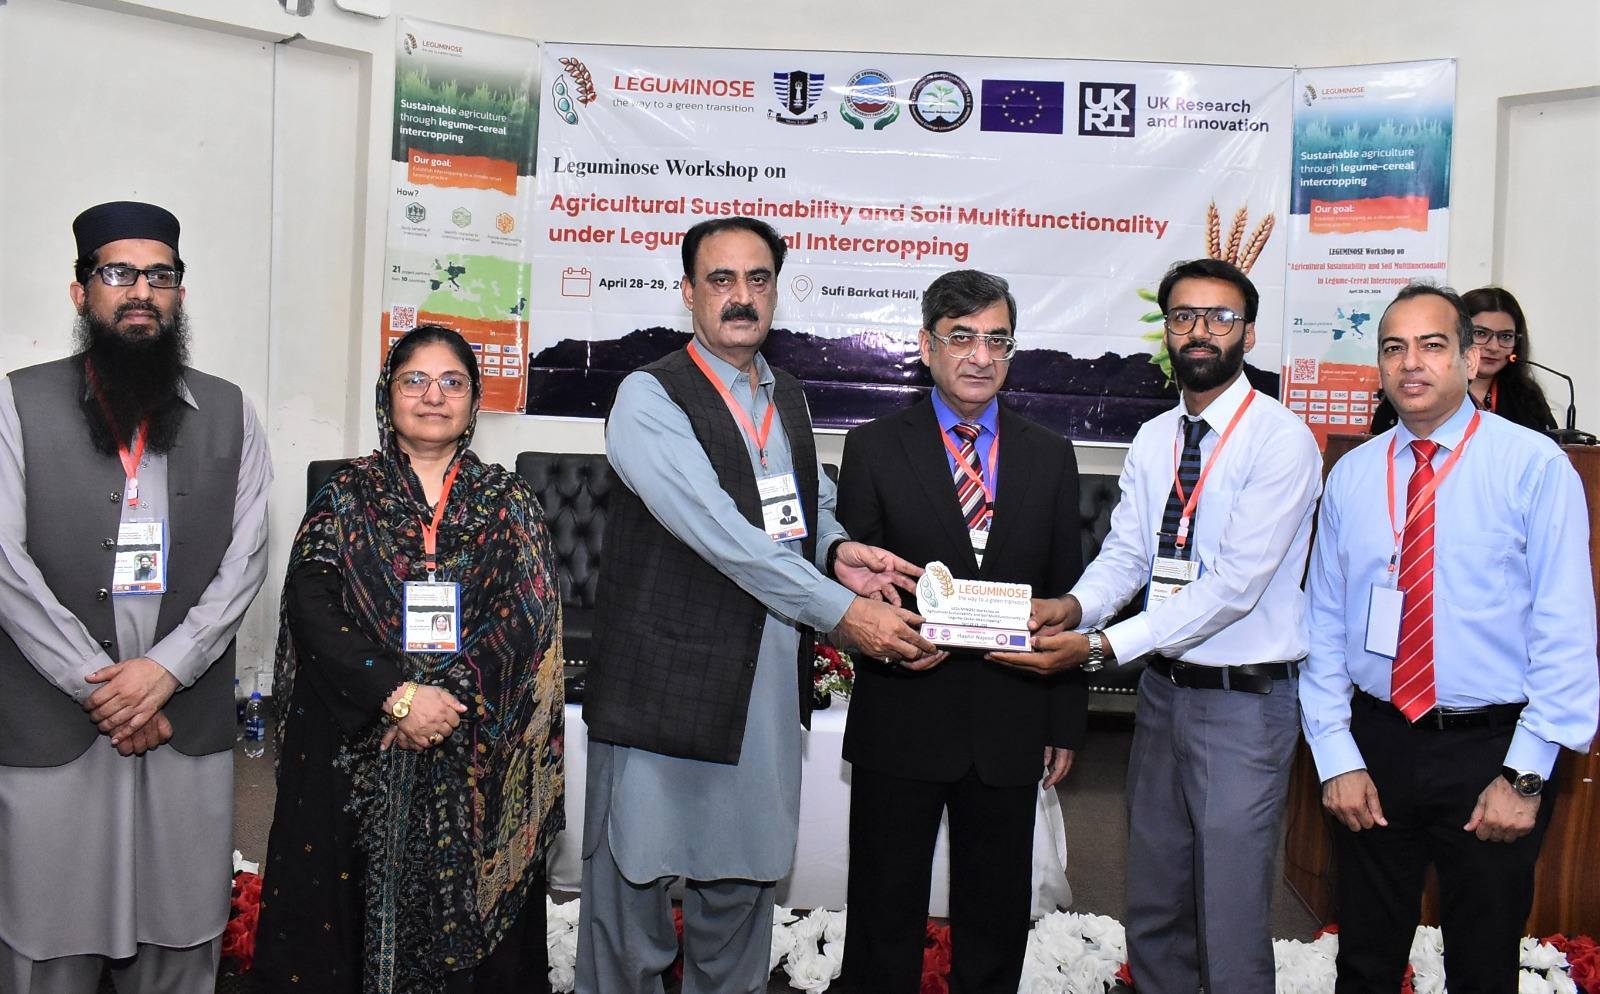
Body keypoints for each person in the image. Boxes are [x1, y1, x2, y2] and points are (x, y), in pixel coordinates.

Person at [577, 216, 935, 994]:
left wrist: (837, 550)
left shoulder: (786, 393)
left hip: (763, 688)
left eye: (758, 279)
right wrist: (842, 612)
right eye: (721, 279)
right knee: (632, 899)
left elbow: (801, 506)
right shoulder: (648, 396)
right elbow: (722, 534)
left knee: (740, 893)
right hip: (663, 687)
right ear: (688, 292)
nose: (741, 296)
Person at [991, 258, 1322, 993]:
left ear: (1249, 334)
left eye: (1220, 317)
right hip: (1165, 695)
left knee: (1230, 910)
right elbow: (1128, 555)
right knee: (1154, 898)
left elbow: (1233, 588)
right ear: (1166, 331)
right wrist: (1073, 608)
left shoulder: (1281, 440)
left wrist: (1101, 645)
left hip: (1244, 702)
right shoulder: (1155, 437)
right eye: (1183, 317)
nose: (1200, 331)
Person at [0, 201, 272, 993]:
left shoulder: (230, 411)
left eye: (161, 274)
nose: (141, 291)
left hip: (180, 723)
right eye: (119, 272)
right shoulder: (17, 403)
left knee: (181, 937)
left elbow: (247, 557)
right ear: (80, 290)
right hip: (55, 724)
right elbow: (5, 563)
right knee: (47, 940)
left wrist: (166, 669)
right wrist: (105, 686)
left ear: (180, 292)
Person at [1301, 284, 1597, 993]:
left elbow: (1565, 628)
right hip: (1376, 744)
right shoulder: (1353, 474)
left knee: (1483, 964)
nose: (1411, 363)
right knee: (1365, 960)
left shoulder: (1532, 465)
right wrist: (1335, 756)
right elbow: (1323, 624)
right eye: (1394, 347)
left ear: (1470, 359)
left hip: (1490, 749)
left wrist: (1526, 775)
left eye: (1432, 345)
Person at [253, 326, 564, 993]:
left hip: (475, 752)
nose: (433, 396)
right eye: (414, 380)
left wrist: (442, 701)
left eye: (452, 382)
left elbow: (529, 614)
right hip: (356, 743)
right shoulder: (345, 496)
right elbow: (311, 604)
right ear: (386, 395)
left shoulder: (507, 501)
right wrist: (397, 696)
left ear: (474, 401)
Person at [834, 270, 1085, 993]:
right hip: (903, 714)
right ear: (926, 345)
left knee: (997, 915)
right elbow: (856, 588)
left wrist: (1063, 719)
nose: (981, 356)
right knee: (883, 911)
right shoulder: (875, 448)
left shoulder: (1049, 454)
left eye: (997, 340)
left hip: (1010, 719)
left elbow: (1067, 593)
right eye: (962, 337)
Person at [1367, 286, 1556, 433]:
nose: (1493, 347)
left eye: (1505, 336)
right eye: (1480, 333)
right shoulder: (1411, 393)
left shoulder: (1527, 398)